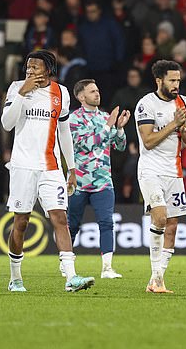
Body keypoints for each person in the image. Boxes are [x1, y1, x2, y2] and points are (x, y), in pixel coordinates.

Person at [1, 50, 95, 292]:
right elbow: (6, 123)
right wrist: (22, 94)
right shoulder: (16, 88)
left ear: (48, 70)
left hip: (51, 168)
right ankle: (15, 278)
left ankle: (71, 277)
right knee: (21, 222)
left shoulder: (61, 93)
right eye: (28, 67)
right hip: (22, 166)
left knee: (60, 219)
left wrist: (71, 167)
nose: (29, 71)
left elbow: (64, 132)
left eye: (35, 67)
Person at [135, 60, 186, 293]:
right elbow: (148, 142)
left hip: (175, 172)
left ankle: (157, 279)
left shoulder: (184, 103)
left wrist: (181, 128)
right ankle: (156, 279)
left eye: (178, 80)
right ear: (159, 80)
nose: (176, 85)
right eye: (172, 80)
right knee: (160, 219)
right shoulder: (146, 104)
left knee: (172, 227)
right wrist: (174, 124)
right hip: (150, 169)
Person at [67, 79, 130, 278]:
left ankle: (107, 268)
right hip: (79, 182)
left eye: (97, 90)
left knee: (106, 223)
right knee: (73, 224)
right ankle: (66, 262)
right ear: (81, 96)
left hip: (103, 180)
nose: (97, 94)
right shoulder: (72, 119)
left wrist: (119, 129)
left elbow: (119, 147)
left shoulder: (105, 117)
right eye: (92, 91)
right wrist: (108, 127)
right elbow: (83, 145)